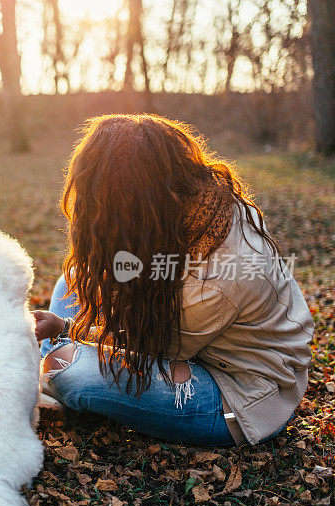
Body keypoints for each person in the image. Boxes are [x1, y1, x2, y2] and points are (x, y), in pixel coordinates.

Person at [33, 114, 314, 446]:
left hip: (237, 392)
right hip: (197, 341)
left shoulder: (216, 279)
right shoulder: (205, 209)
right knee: (75, 279)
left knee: (68, 374)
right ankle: (60, 364)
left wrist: (66, 327)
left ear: (138, 201)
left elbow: (148, 344)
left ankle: (57, 369)